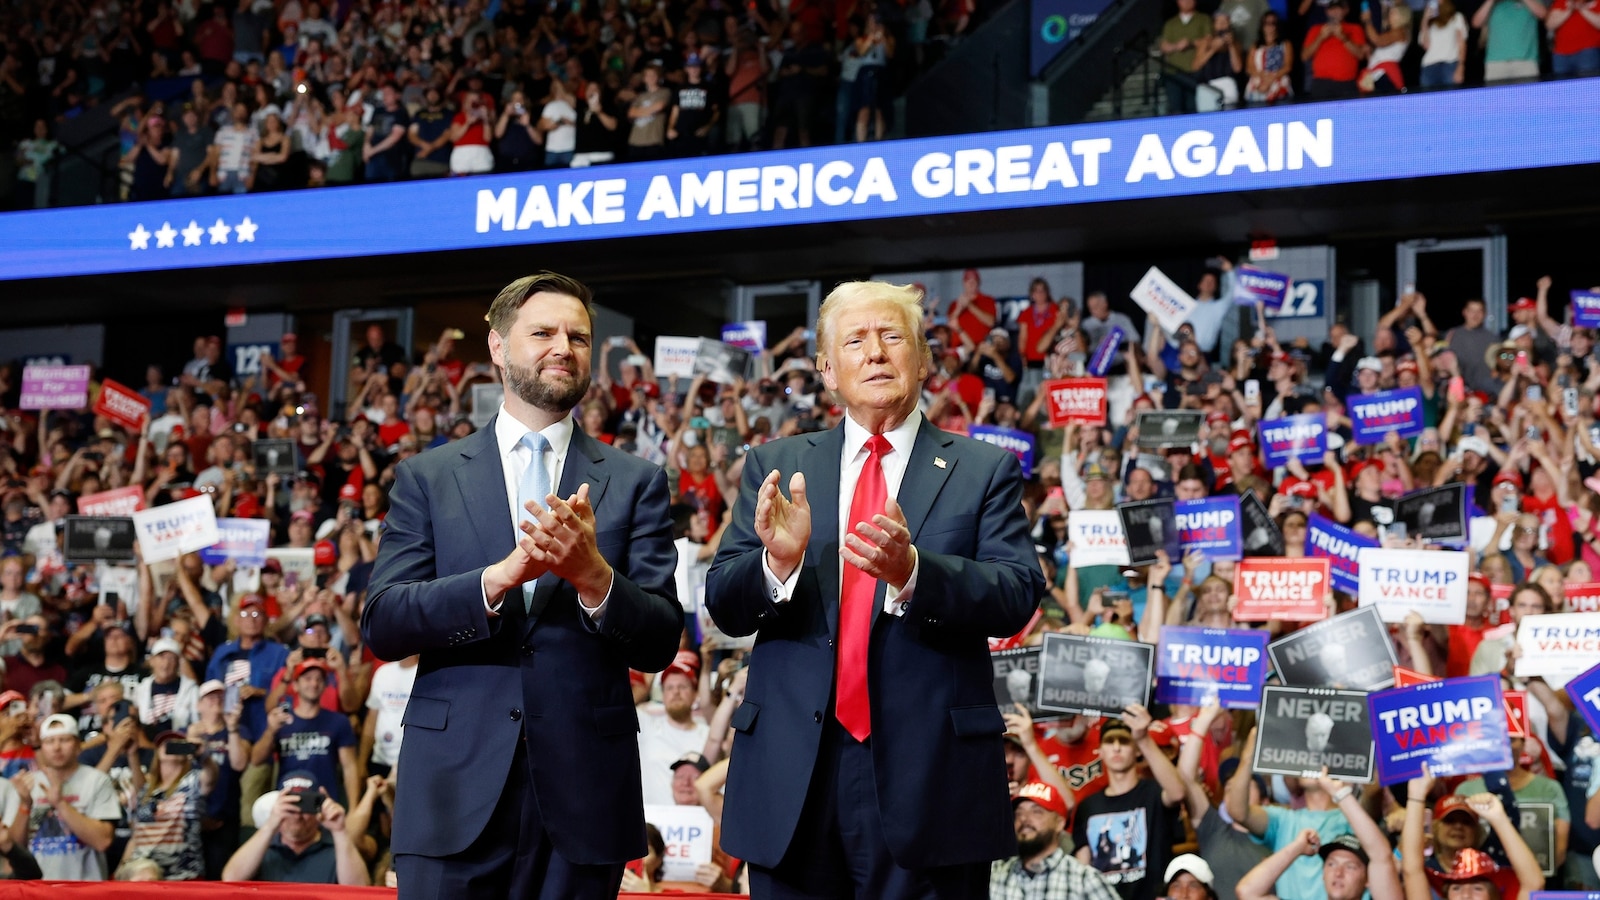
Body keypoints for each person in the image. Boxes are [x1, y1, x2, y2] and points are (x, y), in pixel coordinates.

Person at [705, 280, 1043, 899]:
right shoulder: (777, 465)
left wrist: (914, 573)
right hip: (792, 774)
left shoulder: (982, 468)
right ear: (828, 370)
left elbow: (1017, 592)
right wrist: (777, 563)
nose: (876, 352)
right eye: (856, 341)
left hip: (931, 777)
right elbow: (724, 604)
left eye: (892, 336)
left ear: (924, 359)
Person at [362, 271, 682, 898]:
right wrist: (497, 579)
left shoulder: (637, 480)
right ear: (497, 345)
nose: (564, 347)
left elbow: (661, 641)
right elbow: (385, 622)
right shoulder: (427, 476)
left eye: (579, 337)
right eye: (543, 333)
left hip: (584, 798)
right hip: (451, 791)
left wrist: (594, 577)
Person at [1072, 710, 1186, 900]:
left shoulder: (1154, 792)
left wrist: (1143, 738)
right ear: (1100, 751)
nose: (1116, 747)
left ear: (1137, 749)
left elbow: (1178, 793)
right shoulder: (1088, 806)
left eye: (1124, 741)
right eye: (1110, 741)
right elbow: (1082, 868)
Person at [18, 715, 122, 880]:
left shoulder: (97, 780)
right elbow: (14, 848)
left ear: (78, 746)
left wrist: (60, 804)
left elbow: (103, 841)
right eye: (49, 741)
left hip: (85, 886)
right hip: (38, 887)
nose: (57, 747)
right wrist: (24, 806)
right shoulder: (28, 784)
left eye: (64, 740)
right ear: (41, 747)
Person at [221, 770, 367, 885]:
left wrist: (340, 832)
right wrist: (271, 824)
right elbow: (231, 879)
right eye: (290, 805)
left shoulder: (337, 848)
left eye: (305, 805)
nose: (297, 815)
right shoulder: (263, 846)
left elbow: (359, 891)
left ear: (319, 808)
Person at [989, 780, 1119, 900]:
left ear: (1059, 823)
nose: (1024, 819)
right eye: (1019, 813)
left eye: (1036, 812)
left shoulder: (1084, 880)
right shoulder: (995, 875)